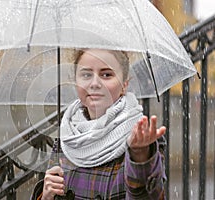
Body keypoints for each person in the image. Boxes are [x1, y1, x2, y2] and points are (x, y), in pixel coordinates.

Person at [31, 48, 167, 200]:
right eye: (86, 75)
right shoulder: (68, 134)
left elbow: (150, 196)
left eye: (106, 75)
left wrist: (140, 155)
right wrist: (45, 197)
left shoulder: (139, 137)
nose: (95, 83)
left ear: (124, 85)